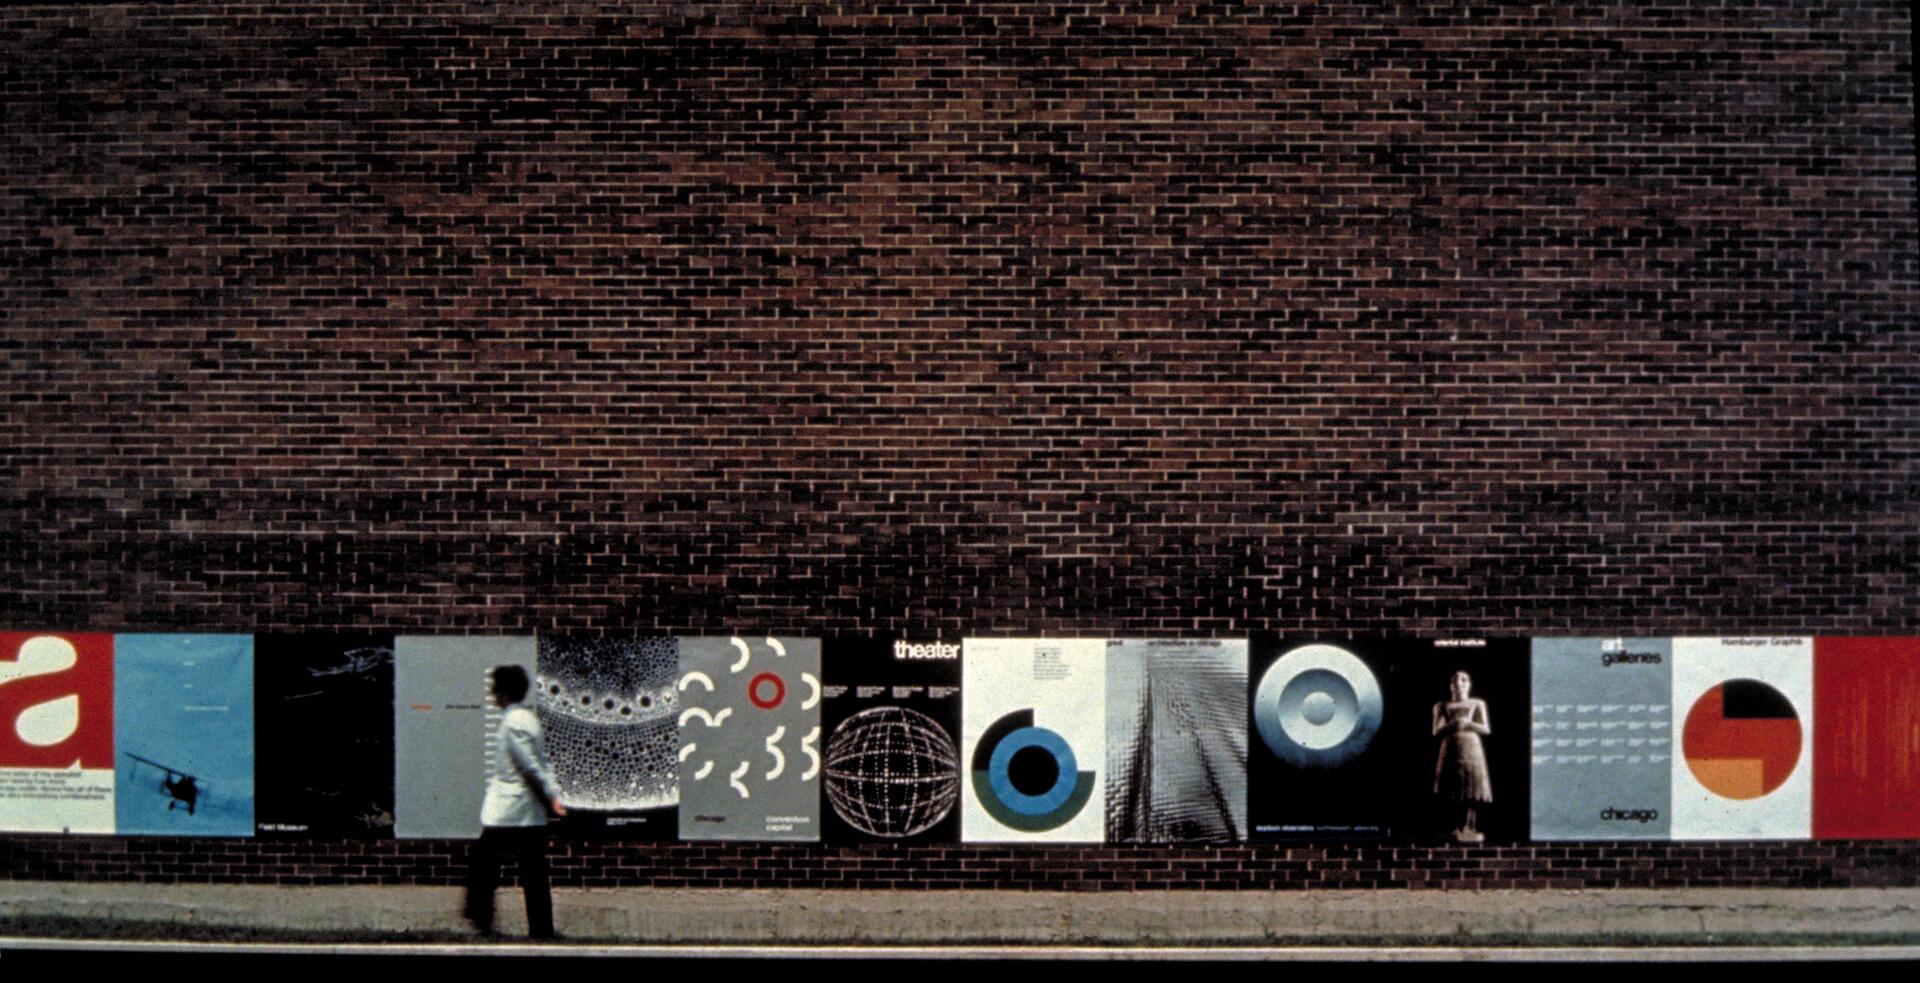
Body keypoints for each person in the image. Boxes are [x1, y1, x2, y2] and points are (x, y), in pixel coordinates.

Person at [464, 665, 566, 939]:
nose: (492, 695)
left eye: (494, 690)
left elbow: (530, 766)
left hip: (509, 811)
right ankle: (541, 929)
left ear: (504, 693)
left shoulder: (513, 722)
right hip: (526, 812)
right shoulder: (527, 719)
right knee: (534, 873)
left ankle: (481, 919)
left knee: (483, 866)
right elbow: (544, 764)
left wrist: (549, 799)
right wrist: (552, 795)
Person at [1431, 670, 1491, 843]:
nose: (1459, 683)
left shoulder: (1477, 703)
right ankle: (1452, 826)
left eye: (1463, 680)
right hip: (1451, 746)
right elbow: (1436, 731)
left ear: (1469, 684)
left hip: (1471, 746)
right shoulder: (1441, 705)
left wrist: (1469, 723)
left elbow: (1486, 729)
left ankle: (1469, 826)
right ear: (1451, 686)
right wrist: (1453, 724)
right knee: (1451, 786)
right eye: (1455, 680)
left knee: (1470, 786)